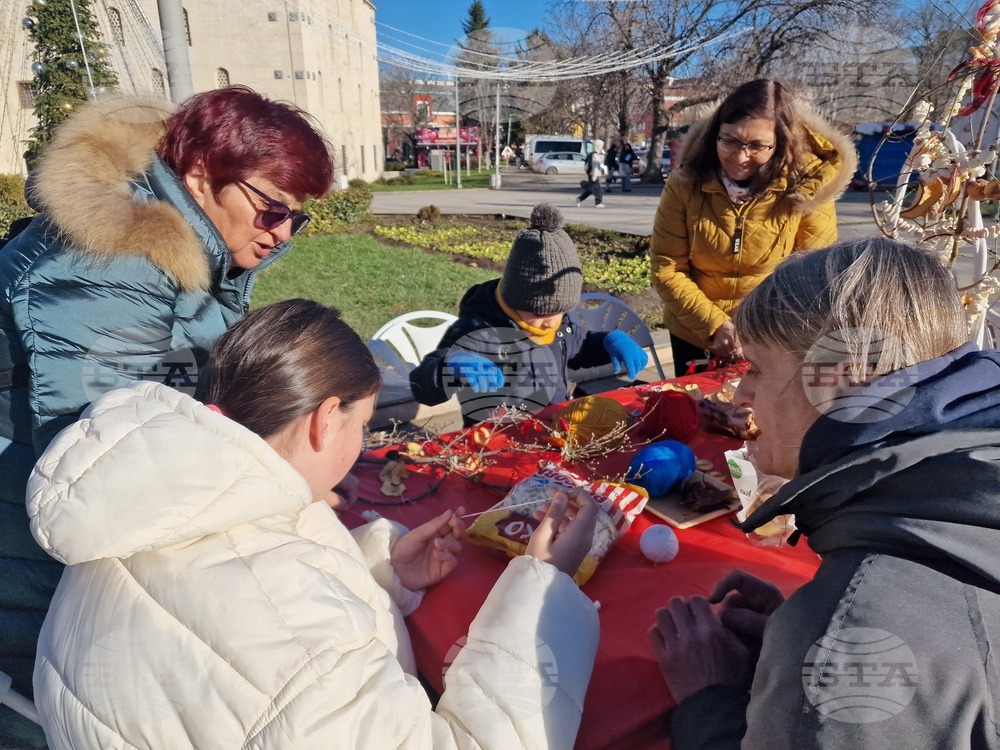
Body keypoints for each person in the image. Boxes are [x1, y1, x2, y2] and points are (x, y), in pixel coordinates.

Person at [27, 299, 601, 749]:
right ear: (328, 420)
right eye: (366, 424)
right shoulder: (302, 632)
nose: (364, 443)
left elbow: (227, 633)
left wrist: (380, 575)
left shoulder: (145, 499)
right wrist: (542, 586)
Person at [0, 86, 333, 746]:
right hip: (31, 588)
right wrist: (280, 478)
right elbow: (103, 477)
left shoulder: (193, 253)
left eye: (297, 220)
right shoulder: (111, 259)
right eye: (271, 211)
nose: (281, 235)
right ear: (203, 175)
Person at [649, 238, 1000, 749]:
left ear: (837, 379)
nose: (738, 394)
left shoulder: (844, 644)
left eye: (756, 369)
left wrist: (713, 697)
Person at [649, 78, 856, 376]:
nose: (740, 156)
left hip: (770, 336)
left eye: (757, 145)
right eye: (729, 140)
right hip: (694, 332)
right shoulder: (685, 183)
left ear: (781, 142)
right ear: (714, 135)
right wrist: (715, 324)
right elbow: (667, 267)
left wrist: (756, 330)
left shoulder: (809, 188)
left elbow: (814, 277)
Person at [410, 203, 648, 425]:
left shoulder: (561, 323)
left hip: (553, 425)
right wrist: (450, 368)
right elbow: (422, 387)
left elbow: (579, 348)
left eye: (560, 311)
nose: (550, 323)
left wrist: (607, 341)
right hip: (497, 434)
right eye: (540, 312)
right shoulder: (479, 329)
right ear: (515, 298)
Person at [577, 139, 607, 207]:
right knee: (598, 190)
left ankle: (580, 199)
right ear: (598, 147)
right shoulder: (595, 156)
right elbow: (595, 167)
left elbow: (586, 165)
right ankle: (598, 203)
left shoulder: (590, 154)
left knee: (590, 190)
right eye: (601, 146)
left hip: (590, 174)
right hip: (594, 175)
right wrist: (594, 176)